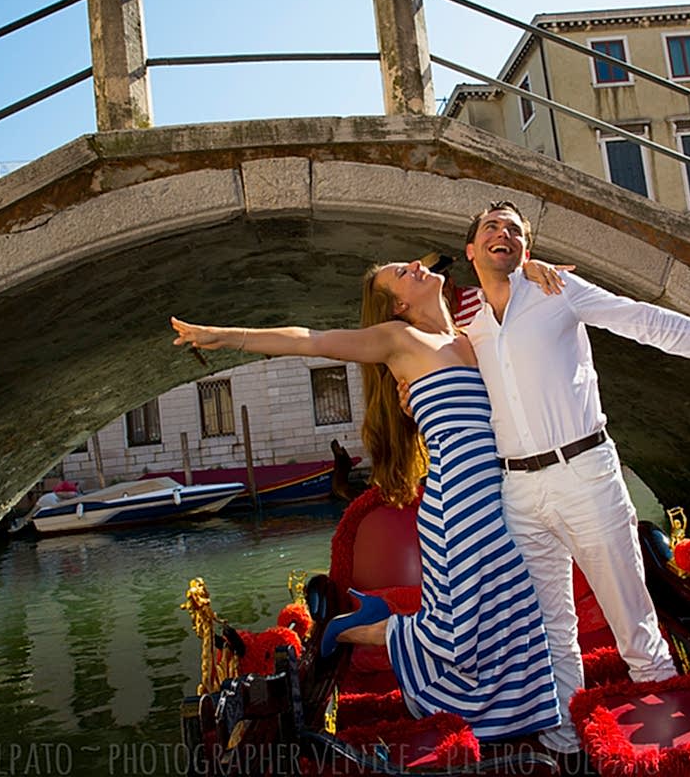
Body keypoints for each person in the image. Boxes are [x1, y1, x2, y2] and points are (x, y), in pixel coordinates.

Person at [454, 199, 690, 754]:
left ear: (527, 247)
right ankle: (568, 743)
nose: (501, 233)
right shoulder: (469, 320)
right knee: (550, 625)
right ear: (472, 249)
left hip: (585, 473)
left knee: (632, 618)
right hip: (518, 491)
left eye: (514, 229)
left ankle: (678, 746)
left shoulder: (558, 291)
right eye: (491, 227)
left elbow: (647, 323)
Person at [168, 259, 566, 742]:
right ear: (398, 306)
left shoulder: (475, 334)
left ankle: (525, 727)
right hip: (457, 503)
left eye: (410, 264)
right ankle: (357, 630)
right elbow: (309, 339)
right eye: (402, 273)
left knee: (511, 610)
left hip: (503, 495)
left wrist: (532, 268)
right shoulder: (399, 341)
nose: (417, 266)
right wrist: (226, 336)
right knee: (461, 636)